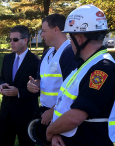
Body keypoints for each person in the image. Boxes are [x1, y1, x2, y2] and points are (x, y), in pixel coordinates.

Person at [46, 5, 115, 146]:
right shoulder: (86, 64)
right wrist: (58, 131)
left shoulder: (103, 70)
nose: (70, 42)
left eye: (71, 37)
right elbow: (66, 103)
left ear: (79, 39)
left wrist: (50, 131)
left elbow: (75, 117)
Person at [27, 14, 77, 144]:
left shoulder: (69, 53)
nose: (41, 35)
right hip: (46, 113)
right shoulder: (47, 53)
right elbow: (40, 80)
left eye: (44, 31)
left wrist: (52, 111)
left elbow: (72, 91)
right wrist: (33, 84)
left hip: (60, 115)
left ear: (56, 30)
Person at [0, 25, 40, 146]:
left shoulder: (36, 61)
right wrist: (1, 85)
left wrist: (19, 92)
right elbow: (1, 78)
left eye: (15, 40)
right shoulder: (7, 58)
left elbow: (39, 89)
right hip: (6, 112)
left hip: (25, 114)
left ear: (25, 40)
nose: (11, 42)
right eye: (10, 39)